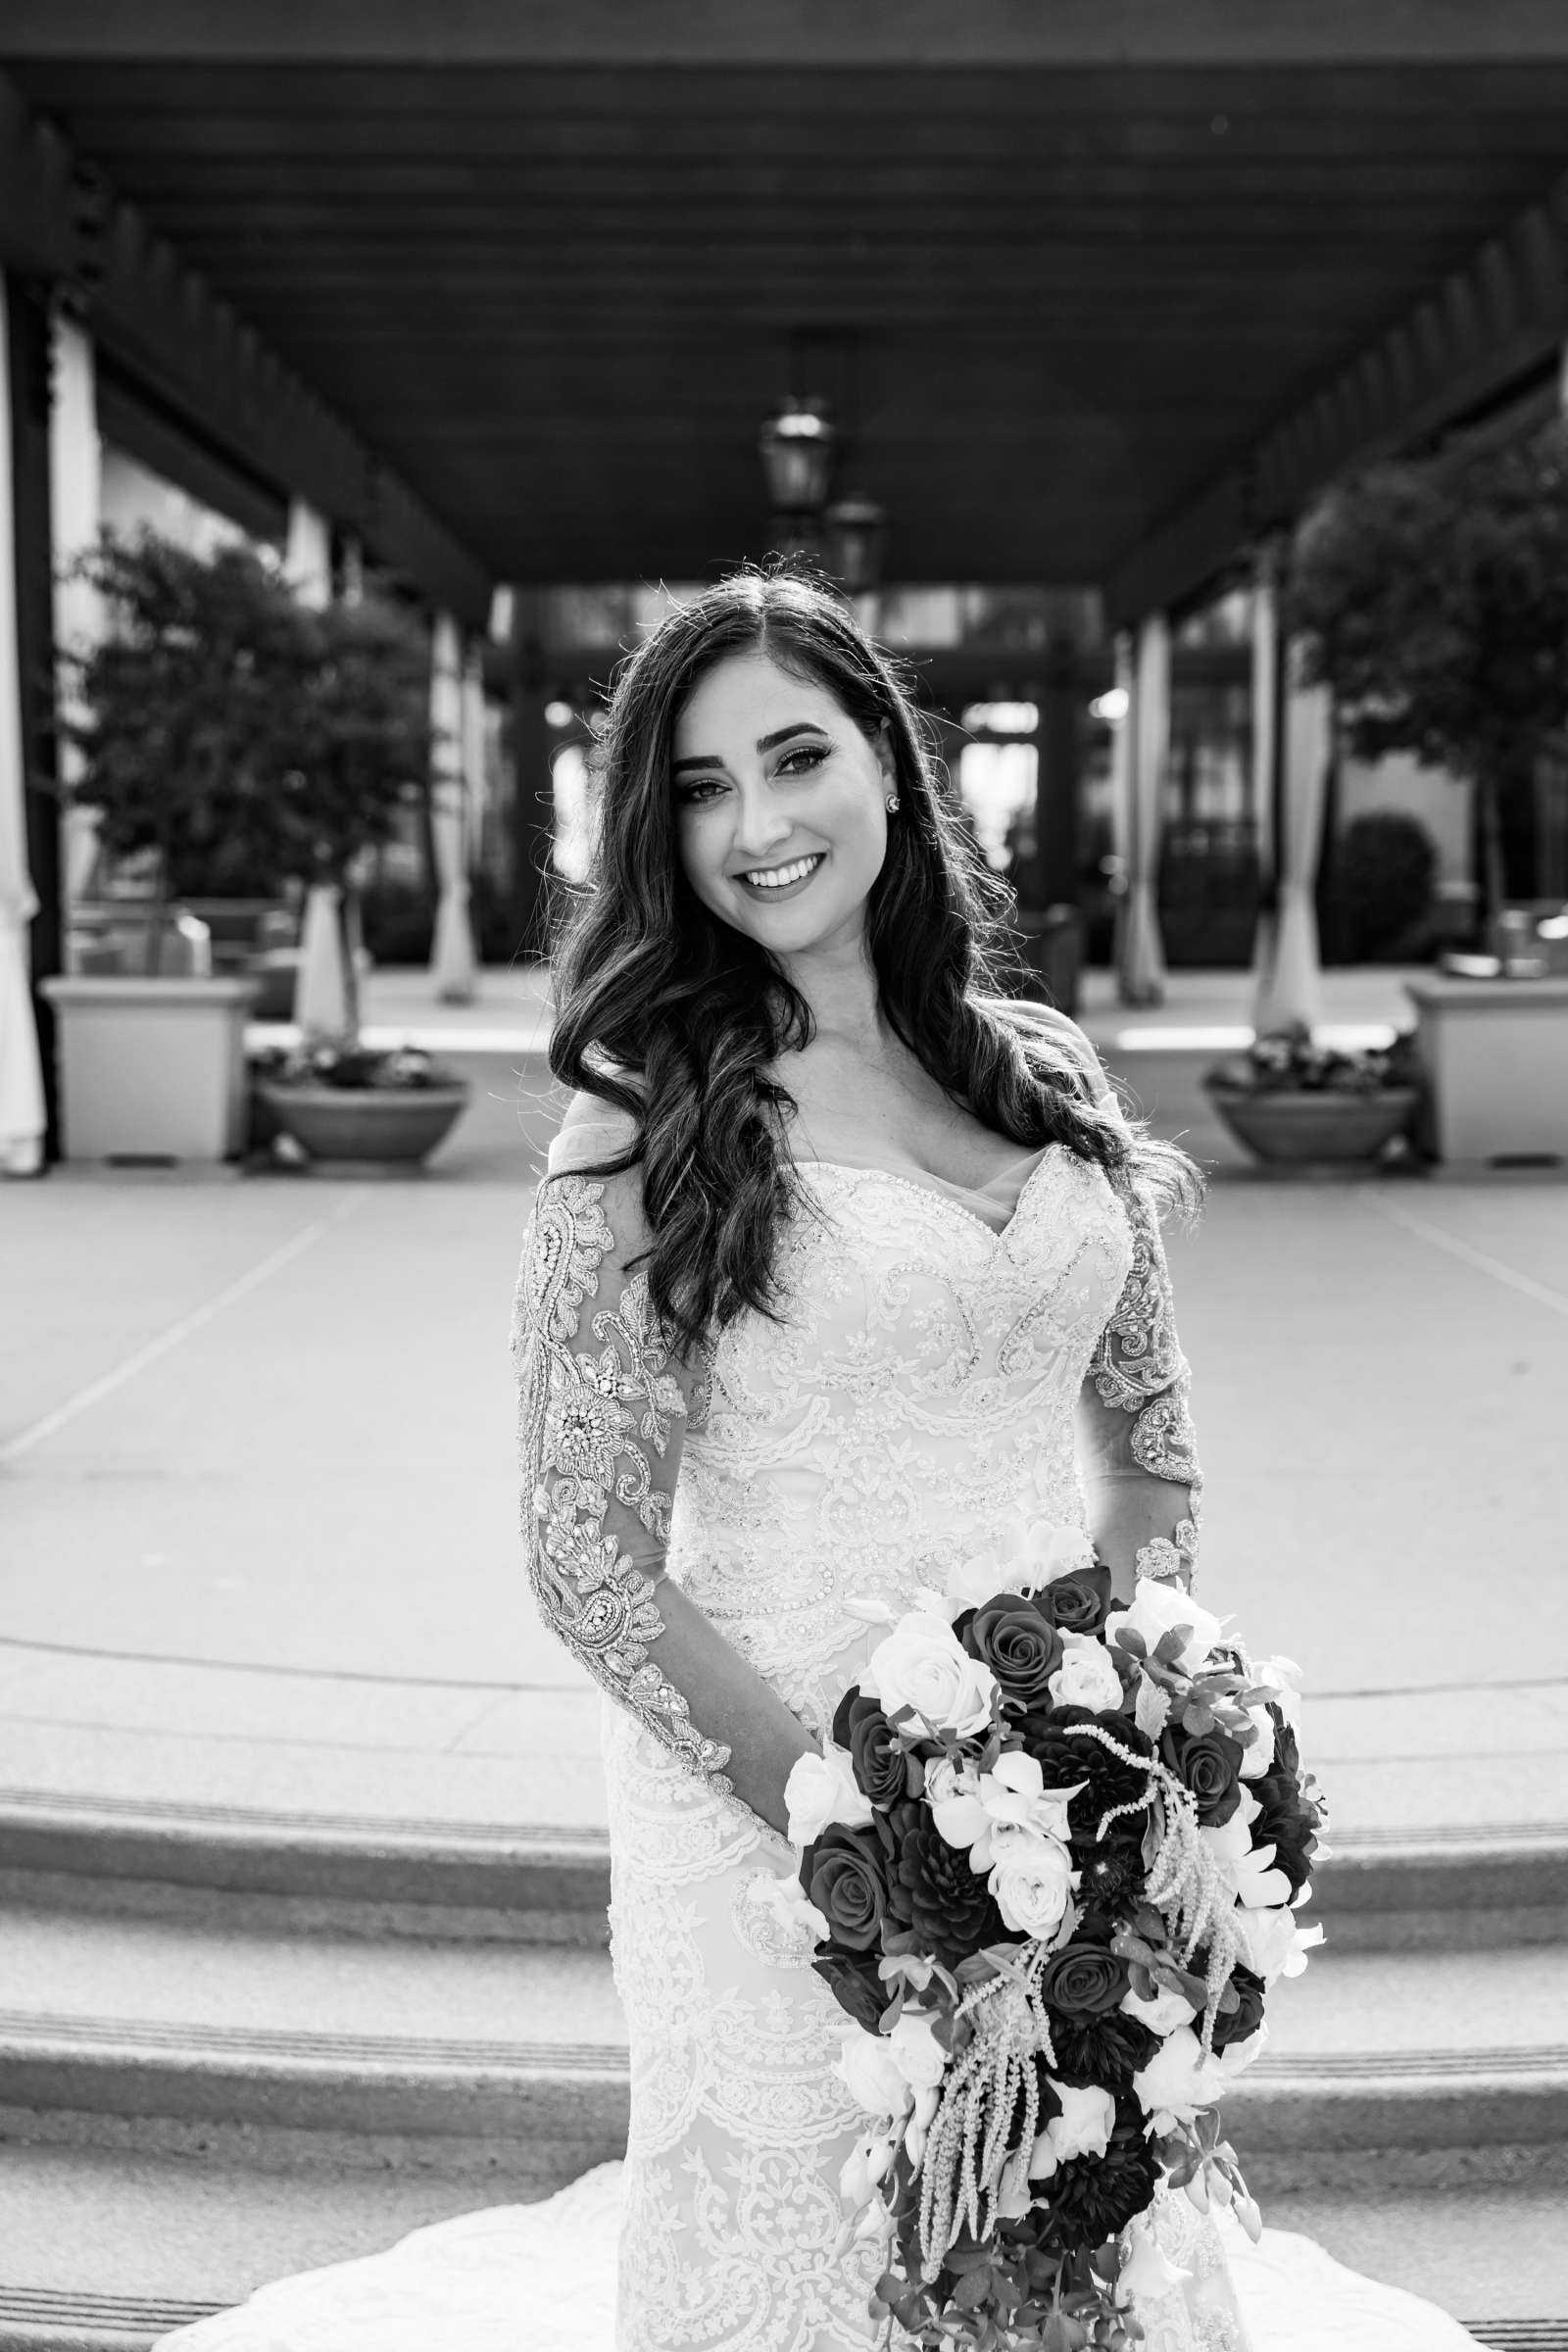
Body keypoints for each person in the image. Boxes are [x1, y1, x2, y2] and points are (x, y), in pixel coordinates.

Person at [161, 572, 1479, 2351]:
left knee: (1063, 2260)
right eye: (701, 788)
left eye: (797, 757)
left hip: (1067, 1813)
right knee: (821, 2273)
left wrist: (1130, 1746)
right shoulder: (648, 1106)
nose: (760, 825)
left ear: (888, 759)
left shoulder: (1042, 1069)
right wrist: (873, 1829)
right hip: (774, 1811)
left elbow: (1150, 1439)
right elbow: (586, 1555)